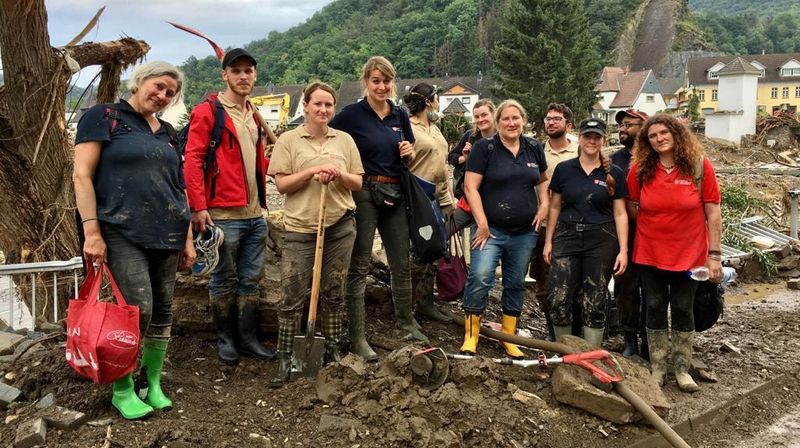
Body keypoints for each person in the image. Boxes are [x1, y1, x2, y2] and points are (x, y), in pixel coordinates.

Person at [73, 61, 193, 420]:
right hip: (120, 229)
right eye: (158, 86)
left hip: (168, 232)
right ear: (140, 81)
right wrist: (92, 231)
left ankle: (151, 382)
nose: (162, 95)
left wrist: (186, 238)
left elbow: (179, 187)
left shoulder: (169, 132)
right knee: (134, 310)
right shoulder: (104, 116)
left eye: (170, 93)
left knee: (164, 310)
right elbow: (82, 175)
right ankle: (122, 388)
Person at [267, 82, 364, 387]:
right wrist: (312, 171)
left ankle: (332, 347)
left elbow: (357, 183)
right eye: (318, 104)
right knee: (292, 293)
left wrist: (338, 172)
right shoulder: (289, 140)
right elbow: (282, 185)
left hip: (339, 225)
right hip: (300, 227)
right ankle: (285, 354)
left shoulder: (345, 140)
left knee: (333, 290)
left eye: (329, 105)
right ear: (306, 106)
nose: (323, 110)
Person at [184, 48, 276, 365]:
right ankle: (226, 340)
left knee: (250, 279)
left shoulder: (254, 113)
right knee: (223, 279)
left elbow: (256, 162)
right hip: (223, 214)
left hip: (255, 214)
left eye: (249, 71)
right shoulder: (209, 111)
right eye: (236, 71)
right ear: (224, 75)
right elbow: (193, 161)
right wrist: (198, 207)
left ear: (255, 75)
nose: (243, 76)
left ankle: (248, 339)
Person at [330, 56, 424, 361]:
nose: (381, 86)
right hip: (365, 193)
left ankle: (406, 322)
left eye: (386, 81)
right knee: (359, 266)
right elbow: (329, 138)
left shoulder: (399, 115)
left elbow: (407, 152)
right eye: (375, 81)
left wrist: (408, 153)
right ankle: (357, 337)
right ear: (365, 82)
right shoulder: (352, 115)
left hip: (395, 190)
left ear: (392, 82)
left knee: (401, 262)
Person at [626, 114, 722, 393]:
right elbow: (633, 204)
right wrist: (649, 226)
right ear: (646, 141)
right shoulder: (641, 169)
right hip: (650, 252)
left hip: (690, 254)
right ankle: (658, 367)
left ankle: (681, 368)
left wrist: (713, 255)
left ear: (676, 133)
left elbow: (713, 212)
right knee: (654, 305)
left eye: (663, 133)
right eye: (652, 136)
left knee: (682, 306)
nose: (658, 139)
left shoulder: (697, 166)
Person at [460, 100, 549, 358]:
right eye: (505, 119)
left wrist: (543, 205)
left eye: (516, 118)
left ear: (523, 120)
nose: (511, 123)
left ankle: (509, 337)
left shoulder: (533, 147)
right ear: (497, 122)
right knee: (480, 276)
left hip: (524, 232)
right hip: (491, 230)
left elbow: (542, 180)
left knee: (515, 283)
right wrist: (483, 224)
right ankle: (471, 335)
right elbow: (470, 187)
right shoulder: (484, 149)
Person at [543, 118, 629, 348]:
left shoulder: (616, 173)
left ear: (603, 140)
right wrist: (548, 241)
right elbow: (554, 207)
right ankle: (565, 351)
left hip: (601, 239)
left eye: (596, 137)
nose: (592, 141)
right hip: (567, 236)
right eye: (587, 136)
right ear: (579, 138)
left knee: (596, 298)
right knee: (559, 297)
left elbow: (621, 213)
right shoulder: (564, 169)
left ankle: (591, 353)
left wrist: (623, 250)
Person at [404, 82, 454, 324]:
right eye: (436, 99)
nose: (437, 104)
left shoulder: (434, 128)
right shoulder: (408, 127)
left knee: (434, 249)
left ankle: (425, 303)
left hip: (435, 196)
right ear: (427, 101)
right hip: (416, 196)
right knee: (418, 251)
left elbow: (442, 164)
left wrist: (447, 199)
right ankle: (407, 306)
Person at [529, 103, 579, 342]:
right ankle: (552, 331)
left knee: (573, 282)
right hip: (543, 225)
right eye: (548, 119)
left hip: (572, 225)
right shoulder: (536, 151)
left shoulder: (580, 150)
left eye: (557, 119)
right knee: (544, 281)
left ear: (568, 125)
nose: (551, 122)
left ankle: (574, 333)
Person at [611, 108, 649, 357]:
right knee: (625, 287)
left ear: (643, 127)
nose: (622, 129)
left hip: (653, 235)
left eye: (628, 124)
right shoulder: (614, 161)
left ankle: (649, 340)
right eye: (620, 125)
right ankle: (629, 340)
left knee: (652, 290)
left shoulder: (654, 158)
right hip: (624, 235)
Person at [447, 99, 497, 232]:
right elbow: (451, 157)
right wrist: (464, 158)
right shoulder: (471, 136)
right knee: (445, 230)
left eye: (484, 115)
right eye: (477, 117)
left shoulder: (502, 138)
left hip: (493, 199)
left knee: (480, 239)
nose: (480, 119)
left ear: (493, 114)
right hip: (469, 197)